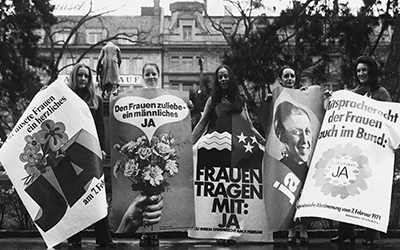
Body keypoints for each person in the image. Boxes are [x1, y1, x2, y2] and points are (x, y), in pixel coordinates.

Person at [192, 65, 266, 245]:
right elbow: (202, 124)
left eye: (226, 76)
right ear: (217, 81)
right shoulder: (213, 101)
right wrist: (188, 143)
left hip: (239, 155)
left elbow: (248, 125)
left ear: (230, 78)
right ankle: (220, 233)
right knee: (220, 197)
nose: (223, 79)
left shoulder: (240, 100)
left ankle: (232, 233)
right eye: (220, 77)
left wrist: (264, 142)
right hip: (218, 154)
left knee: (235, 195)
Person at [331, 55, 391, 246]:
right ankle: (346, 231)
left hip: (373, 150)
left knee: (370, 191)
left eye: (364, 70)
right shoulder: (353, 93)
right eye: (358, 71)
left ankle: (371, 233)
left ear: (371, 71)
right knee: (347, 187)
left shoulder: (381, 93)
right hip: (354, 151)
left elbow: (389, 119)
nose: (361, 74)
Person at [67, 62, 115, 248]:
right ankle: (74, 239)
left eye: (86, 76)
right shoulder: (66, 97)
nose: (83, 79)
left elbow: (100, 126)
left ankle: (104, 238)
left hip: (91, 152)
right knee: (75, 195)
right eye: (80, 75)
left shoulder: (95, 100)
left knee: (96, 195)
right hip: (71, 152)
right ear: (74, 76)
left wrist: (102, 148)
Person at [276, 66, 310, 245]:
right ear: (281, 79)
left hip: (303, 159)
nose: (290, 78)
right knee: (289, 194)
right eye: (286, 76)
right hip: (287, 156)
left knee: (303, 193)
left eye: (292, 76)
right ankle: (291, 230)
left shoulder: (302, 95)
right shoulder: (276, 97)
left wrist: (308, 95)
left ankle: (303, 229)